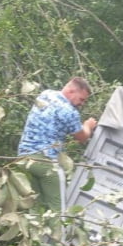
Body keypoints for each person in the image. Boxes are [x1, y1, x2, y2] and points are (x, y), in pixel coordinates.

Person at [16, 77, 98, 213]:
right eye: (81, 99)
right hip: (45, 161)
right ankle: (60, 234)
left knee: (35, 209)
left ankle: (36, 234)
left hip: (23, 158)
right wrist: (88, 125)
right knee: (59, 211)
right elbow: (82, 137)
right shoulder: (69, 111)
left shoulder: (45, 94)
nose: (81, 104)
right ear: (72, 91)